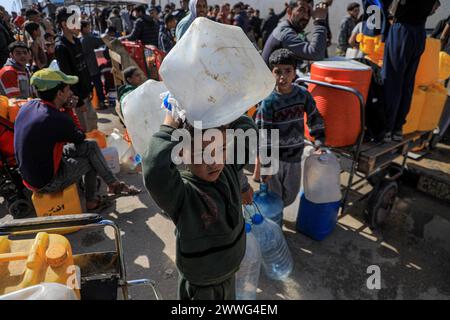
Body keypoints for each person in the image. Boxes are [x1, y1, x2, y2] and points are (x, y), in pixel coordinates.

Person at [143, 103, 256, 300]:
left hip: (229, 275)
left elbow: (249, 136)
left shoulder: (227, 168)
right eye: (202, 153)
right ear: (180, 152)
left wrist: (225, 110)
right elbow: (154, 171)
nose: (214, 161)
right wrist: (170, 126)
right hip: (201, 288)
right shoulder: (181, 193)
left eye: (220, 149)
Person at [14, 68, 140, 212]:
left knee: (92, 146)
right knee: (92, 160)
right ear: (59, 94)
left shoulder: (30, 105)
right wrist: (70, 110)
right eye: (68, 89)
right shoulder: (54, 118)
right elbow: (80, 136)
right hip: (46, 182)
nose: (71, 93)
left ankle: (113, 184)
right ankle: (92, 201)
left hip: (31, 174)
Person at [254, 48, 325, 213]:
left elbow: (315, 117)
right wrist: (266, 165)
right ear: (271, 73)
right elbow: (263, 136)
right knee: (273, 198)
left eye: (288, 71)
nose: (282, 77)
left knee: (290, 195)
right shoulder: (268, 102)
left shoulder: (303, 95)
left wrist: (319, 141)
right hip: (275, 160)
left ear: (295, 73)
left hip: (294, 157)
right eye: (277, 72)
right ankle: (274, 226)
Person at [381, 0, 440, 142]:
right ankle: (397, 128)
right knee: (407, 83)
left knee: (392, 81)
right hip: (419, 32)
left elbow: (390, 8)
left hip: (402, 29)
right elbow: (435, 6)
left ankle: (387, 128)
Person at [55, 6, 98, 133]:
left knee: (93, 123)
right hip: (78, 98)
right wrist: (79, 102)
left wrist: (90, 87)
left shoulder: (77, 41)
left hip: (86, 91)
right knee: (85, 129)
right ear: (64, 24)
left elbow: (84, 67)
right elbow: (68, 78)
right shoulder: (61, 47)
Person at [262, 0, 328, 67]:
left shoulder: (291, 29)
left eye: (309, 12)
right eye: (301, 10)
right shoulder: (285, 33)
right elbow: (316, 54)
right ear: (289, 12)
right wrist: (320, 22)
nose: (306, 17)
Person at [80, 20, 107, 110]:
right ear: (83, 28)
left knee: (89, 86)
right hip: (92, 67)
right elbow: (101, 41)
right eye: (88, 27)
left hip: (85, 67)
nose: (90, 28)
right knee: (98, 85)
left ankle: (92, 104)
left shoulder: (80, 39)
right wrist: (107, 36)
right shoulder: (88, 38)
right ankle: (101, 102)